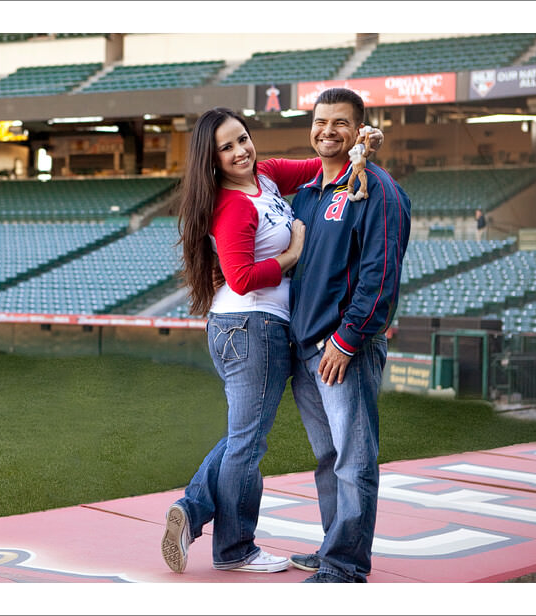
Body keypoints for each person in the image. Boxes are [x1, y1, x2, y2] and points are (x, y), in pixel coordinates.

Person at [161, 107, 383, 574]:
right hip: (252, 325)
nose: (240, 151)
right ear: (212, 158)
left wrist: (361, 146)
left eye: (243, 138)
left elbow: (323, 165)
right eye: (227, 147)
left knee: (244, 436)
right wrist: (294, 253)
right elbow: (241, 278)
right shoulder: (233, 204)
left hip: (257, 327)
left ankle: (194, 507)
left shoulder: (264, 176)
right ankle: (234, 548)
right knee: (248, 443)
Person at [286, 88, 411, 583]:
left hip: (344, 351)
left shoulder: (377, 189)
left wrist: (347, 339)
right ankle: (333, 545)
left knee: (354, 461)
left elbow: (381, 275)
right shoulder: (309, 193)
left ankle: (346, 564)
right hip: (306, 350)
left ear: (360, 128)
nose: (327, 130)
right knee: (327, 459)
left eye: (340, 122)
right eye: (320, 121)